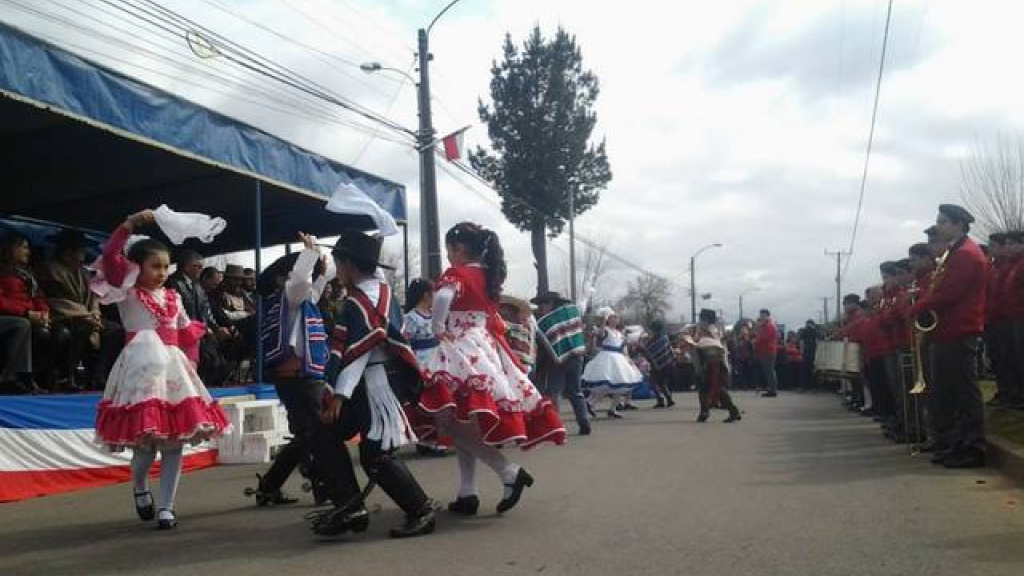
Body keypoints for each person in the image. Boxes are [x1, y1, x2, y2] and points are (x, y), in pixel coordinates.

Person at [91, 210, 230, 529]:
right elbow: (111, 254)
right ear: (135, 266)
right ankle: (140, 487)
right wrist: (129, 224)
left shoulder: (174, 296)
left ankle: (167, 506)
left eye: (166, 266)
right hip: (141, 369)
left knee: (174, 442)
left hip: (174, 369)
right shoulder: (124, 289)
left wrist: (191, 363)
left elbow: (186, 333)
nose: (162, 272)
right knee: (145, 443)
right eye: (155, 266)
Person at [418, 222, 565, 517]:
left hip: (460, 347)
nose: (448, 256)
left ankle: (508, 472)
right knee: (464, 421)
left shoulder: (456, 274)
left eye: (449, 250)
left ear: (459, 249)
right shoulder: (488, 275)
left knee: (451, 423)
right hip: (485, 346)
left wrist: (436, 326)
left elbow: (444, 298)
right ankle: (467, 492)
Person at [308, 229, 438, 538]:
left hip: (373, 382)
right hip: (378, 381)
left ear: (350, 266)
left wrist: (338, 395)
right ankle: (350, 506)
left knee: (375, 454)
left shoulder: (359, 302)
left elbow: (359, 354)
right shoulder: (381, 289)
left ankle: (421, 508)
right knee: (325, 433)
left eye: (338, 265)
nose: (336, 273)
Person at [247, 233, 333, 507]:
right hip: (298, 378)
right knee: (315, 434)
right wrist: (308, 254)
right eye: (296, 273)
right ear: (281, 280)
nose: (304, 279)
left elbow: (315, 286)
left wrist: (321, 263)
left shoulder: (301, 300)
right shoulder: (289, 298)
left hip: (302, 377)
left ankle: (269, 487)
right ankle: (324, 488)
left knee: (306, 434)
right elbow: (300, 282)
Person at [910, 204, 988, 468]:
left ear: (958, 225)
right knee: (949, 392)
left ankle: (973, 447)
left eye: (943, 222)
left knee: (963, 392)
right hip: (948, 330)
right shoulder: (955, 252)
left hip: (959, 330)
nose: (939, 226)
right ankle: (957, 443)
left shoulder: (965, 254)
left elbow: (950, 294)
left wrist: (919, 306)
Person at [39, 229, 123, 391]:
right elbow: (55, 299)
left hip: (86, 315)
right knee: (83, 326)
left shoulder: (83, 272)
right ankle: (67, 375)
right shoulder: (49, 269)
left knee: (115, 330)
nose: (82, 256)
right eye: (78, 251)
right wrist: (86, 316)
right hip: (61, 316)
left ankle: (98, 375)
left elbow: (93, 298)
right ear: (66, 252)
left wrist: (95, 314)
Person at [0, 232, 59, 393]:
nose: (28, 252)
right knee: (22, 324)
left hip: (27, 316)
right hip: (11, 316)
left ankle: (38, 379)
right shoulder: (2, 271)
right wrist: (26, 313)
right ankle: (12, 377)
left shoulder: (27, 273)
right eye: (24, 247)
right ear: (12, 249)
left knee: (50, 332)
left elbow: (39, 296)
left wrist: (44, 313)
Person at [402, 277, 452, 457]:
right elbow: (405, 342)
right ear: (426, 295)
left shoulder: (436, 315)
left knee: (439, 400)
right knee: (433, 401)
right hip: (423, 362)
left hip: (440, 359)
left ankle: (433, 438)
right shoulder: (410, 318)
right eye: (433, 292)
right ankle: (430, 439)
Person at [167, 250, 231, 387]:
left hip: (200, 331)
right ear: (187, 267)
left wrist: (215, 328)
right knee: (201, 361)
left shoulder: (197, 286)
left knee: (217, 358)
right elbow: (178, 312)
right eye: (198, 266)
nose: (201, 270)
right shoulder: (173, 283)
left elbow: (205, 312)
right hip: (183, 333)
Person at [532, 290, 591, 435]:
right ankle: (584, 422)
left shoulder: (544, 322)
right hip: (577, 355)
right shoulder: (572, 312)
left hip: (556, 360)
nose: (541, 308)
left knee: (554, 391)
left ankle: (556, 426)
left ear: (551, 303)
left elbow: (542, 342)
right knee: (575, 391)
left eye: (543, 304)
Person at [582, 307, 644, 418]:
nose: (616, 320)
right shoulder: (605, 330)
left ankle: (612, 409)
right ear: (608, 319)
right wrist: (603, 321)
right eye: (614, 317)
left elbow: (623, 348)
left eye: (617, 318)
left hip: (619, 360)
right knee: (605, 385)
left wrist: (629, 360)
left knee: (622, 385)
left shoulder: (620, 334)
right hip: (607, 359)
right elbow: (600, 334)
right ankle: (590, 403)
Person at [694, 309, 741, 423]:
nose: (700, 320)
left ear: (705, 319)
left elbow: (707, 344)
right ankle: (705, 411)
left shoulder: (711, 330)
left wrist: (696, 341)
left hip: (712, 361)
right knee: (706, 386)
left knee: (715, 386)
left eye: (702, 318)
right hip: (711, 360)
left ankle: (731, 410)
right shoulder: (712, 329)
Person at [1000, 231, 1024, 410]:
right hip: (1011, 317)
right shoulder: (1014, 265)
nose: (1007, 247)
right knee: (1015, 358)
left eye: (1011, 243)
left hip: (1019, 316)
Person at [643, 319, 676, 408]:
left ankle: (661, 399)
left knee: (653, 382)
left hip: (657, 365)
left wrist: (642, 346)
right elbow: (669, 350)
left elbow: (647, 350)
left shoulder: (653, 340)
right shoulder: (665, 337)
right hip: (668, 362)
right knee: (662, 382)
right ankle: (669, 399)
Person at [754, 309, 780, 397]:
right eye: (761, 315)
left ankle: (773, 390)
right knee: (768, 371)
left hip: (768, 351)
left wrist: (756, 340)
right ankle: (771, 388)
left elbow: (764, 338)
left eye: (763, 315)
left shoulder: (769, 325)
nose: (761, 317)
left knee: (769, 371)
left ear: (767, 316)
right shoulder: (766, 326)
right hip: (765, 351)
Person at [798, 320, 819, 390]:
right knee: (812, 370)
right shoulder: (815, 331)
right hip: (813, 352)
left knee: (804, 370)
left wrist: (801, 351)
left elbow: (801, 342)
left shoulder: (805, 331)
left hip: (806, 353)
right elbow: (817, 342)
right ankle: (812, 387)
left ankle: (803, 386)